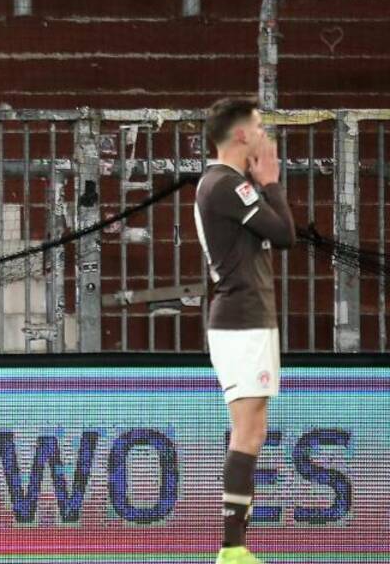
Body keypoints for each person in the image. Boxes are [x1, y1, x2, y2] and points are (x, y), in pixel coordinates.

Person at [193, 98, 295, 564]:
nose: (262, 132)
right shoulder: (225, 185)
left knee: (251, 430)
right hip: (242, 322)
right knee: (247, 432)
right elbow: (284, 233)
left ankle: (236, 546)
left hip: (248, 320)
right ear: (239, 136)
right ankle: (232, 548)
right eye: (257, 125)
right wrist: (271, 185)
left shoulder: (227, 185)